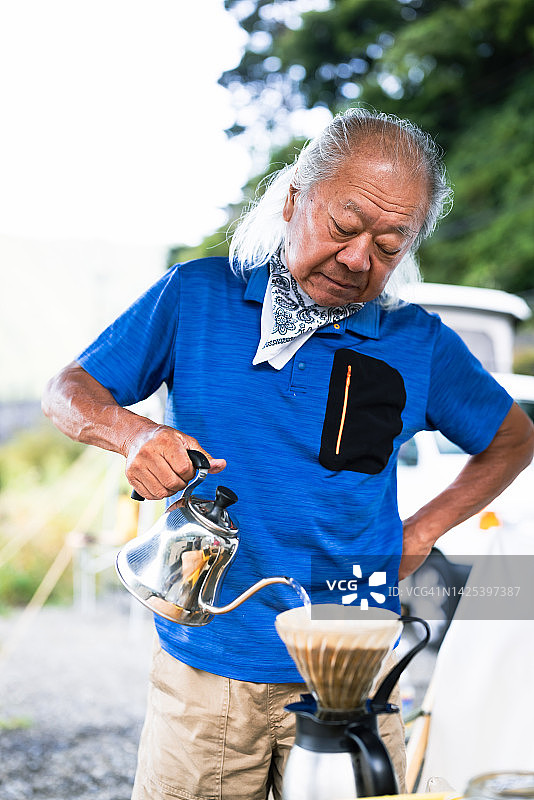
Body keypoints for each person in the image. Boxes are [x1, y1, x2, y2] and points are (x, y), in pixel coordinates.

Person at [42, 108, 534, 800]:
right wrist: (134, 435)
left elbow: (513, 439)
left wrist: (423, 530)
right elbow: (68, 389)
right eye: (344, 226)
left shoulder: (418, 342)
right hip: (211, 663)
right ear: (296, 197)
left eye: (390, 244)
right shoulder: (197, 296)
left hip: (353, 663)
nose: (361, 258)